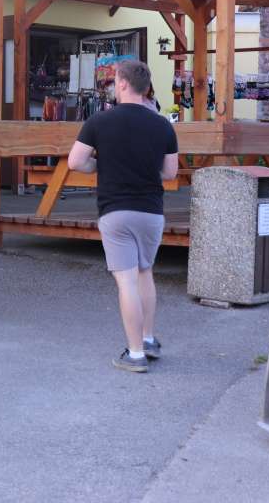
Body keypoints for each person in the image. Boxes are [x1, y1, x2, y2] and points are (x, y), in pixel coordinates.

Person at [67, 60, 178, 373]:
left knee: (126, 281)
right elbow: (170, 172)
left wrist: (101, 164)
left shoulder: (99, 121)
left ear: (125, 84)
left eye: (116, 81)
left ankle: (136, 354)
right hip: (151, 212)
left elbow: (75, 162)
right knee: (145, 273)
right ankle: (149, 340)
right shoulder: (162, 125)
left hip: (116, 210)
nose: (115, 86)